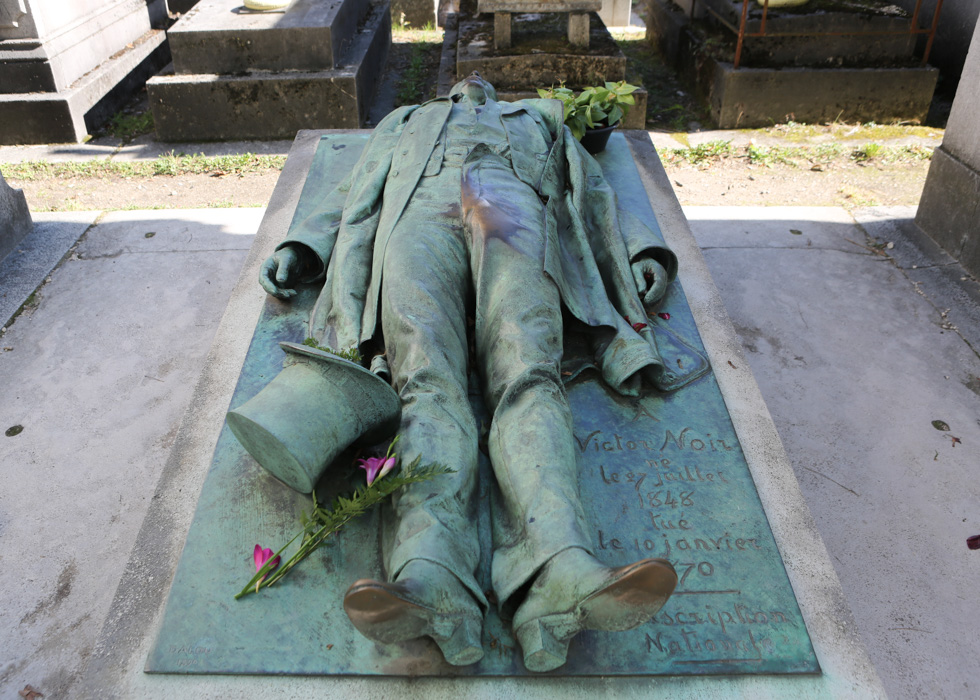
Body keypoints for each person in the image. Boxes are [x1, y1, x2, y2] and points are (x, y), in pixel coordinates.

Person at [259, 73, 694, 672]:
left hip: (509, 206)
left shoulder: (537, 115)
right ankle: (430, 572)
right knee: (425, 384)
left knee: (529, 374)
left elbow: (595, 189)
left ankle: (559, 570)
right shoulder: (404, 120)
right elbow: (350, 190)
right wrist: (302, 244)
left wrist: (642, 249)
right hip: (415, 215)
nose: (471, 79)